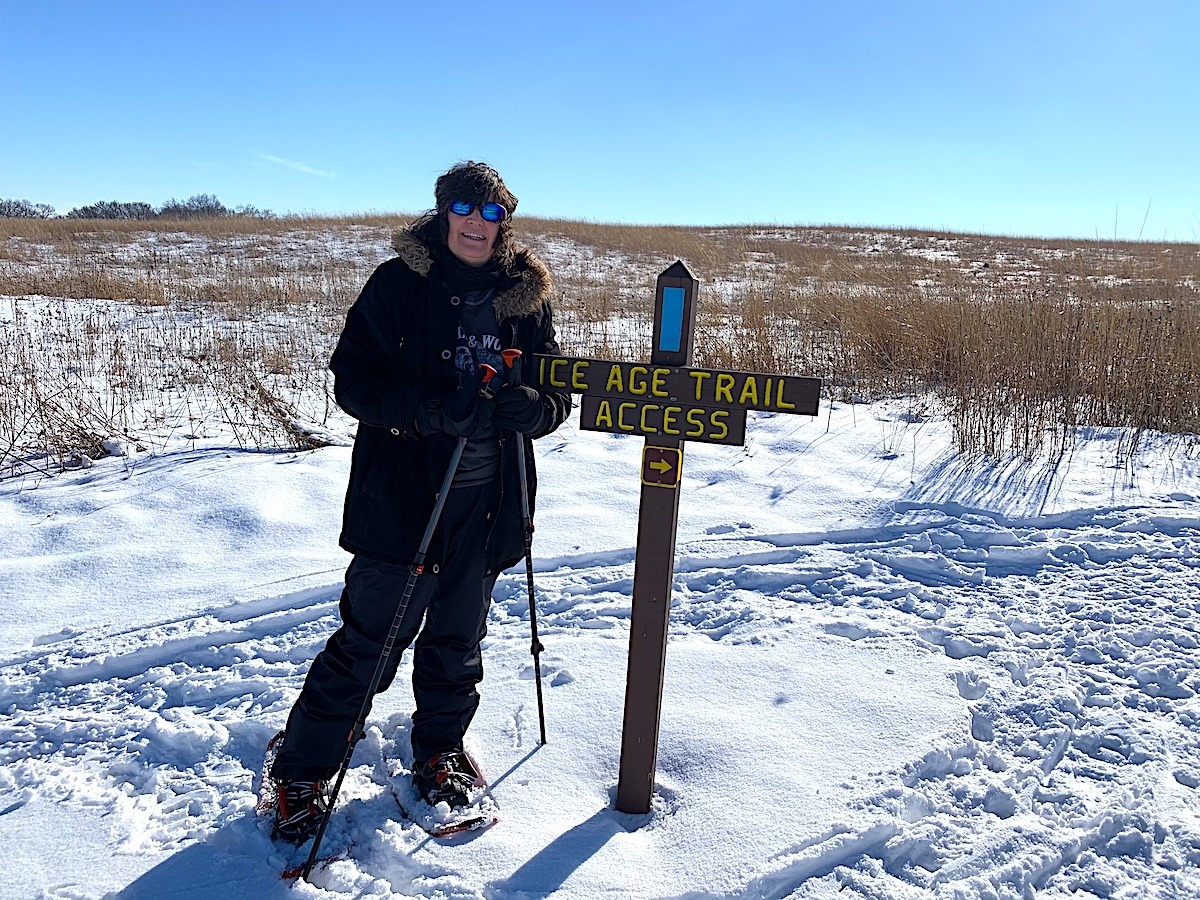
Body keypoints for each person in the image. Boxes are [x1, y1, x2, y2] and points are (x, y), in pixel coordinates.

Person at [268, 161, 572, 842]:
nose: (475, 223)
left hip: (490, 505)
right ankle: (301, 773)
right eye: (463, 208)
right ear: (442, 213)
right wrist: (431, 413)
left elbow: (557, 391)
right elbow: (354, 383)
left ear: (504, 222)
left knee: (457, 643)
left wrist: (537, 408)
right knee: (369, 646)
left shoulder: (526, 299)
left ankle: (439, 753)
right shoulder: (399, 284)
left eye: (491, 213)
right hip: (403, 503)